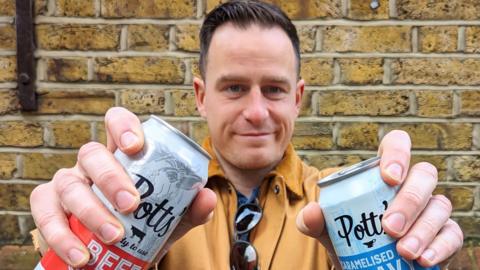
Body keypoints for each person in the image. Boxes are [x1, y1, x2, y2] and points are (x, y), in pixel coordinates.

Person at [30, 1, 463, 269]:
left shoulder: (338, 213)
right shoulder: (135, 195)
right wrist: (76, 221)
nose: (256, 112)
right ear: (201, 96)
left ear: (298, 98)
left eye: (273, 90)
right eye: (234, 87)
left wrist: (420, 244)